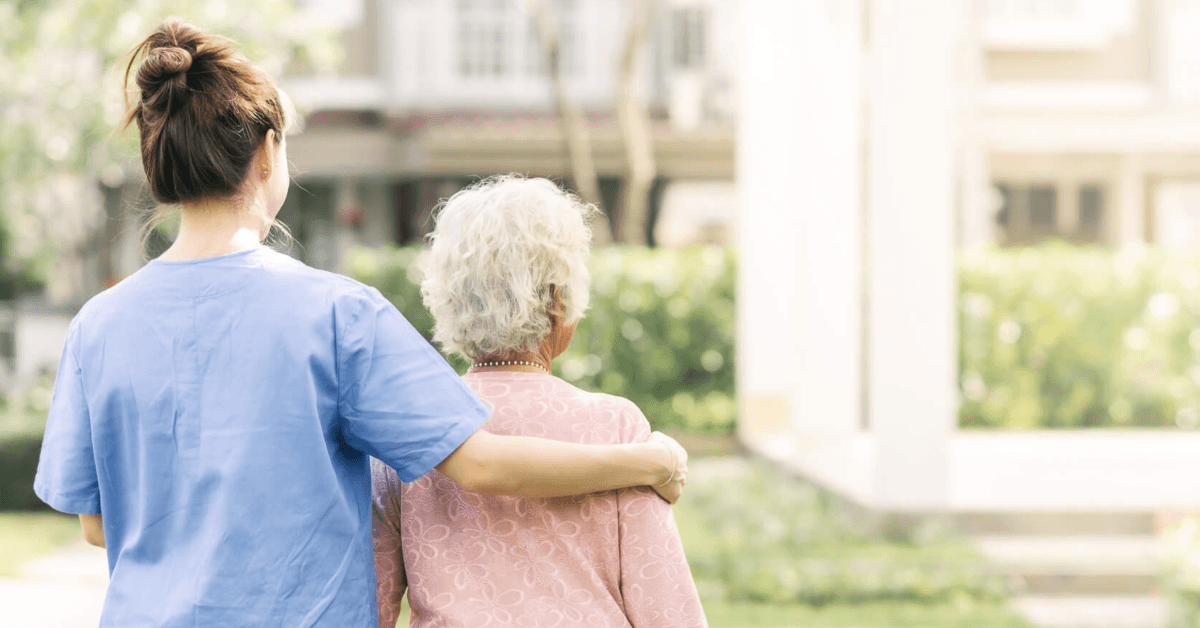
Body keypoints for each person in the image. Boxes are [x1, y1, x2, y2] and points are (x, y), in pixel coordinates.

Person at [32, 21, 687, 628]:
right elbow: (483, 465)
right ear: (266, 154)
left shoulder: (98, 326)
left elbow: (96, 523)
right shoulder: (338, 315)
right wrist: (644, 460)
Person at [372, 175, 708, 628]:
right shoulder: (617, 427)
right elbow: (668, 609)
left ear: (448, 299)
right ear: (558, 299)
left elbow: (372, 604)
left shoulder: (407, 430)